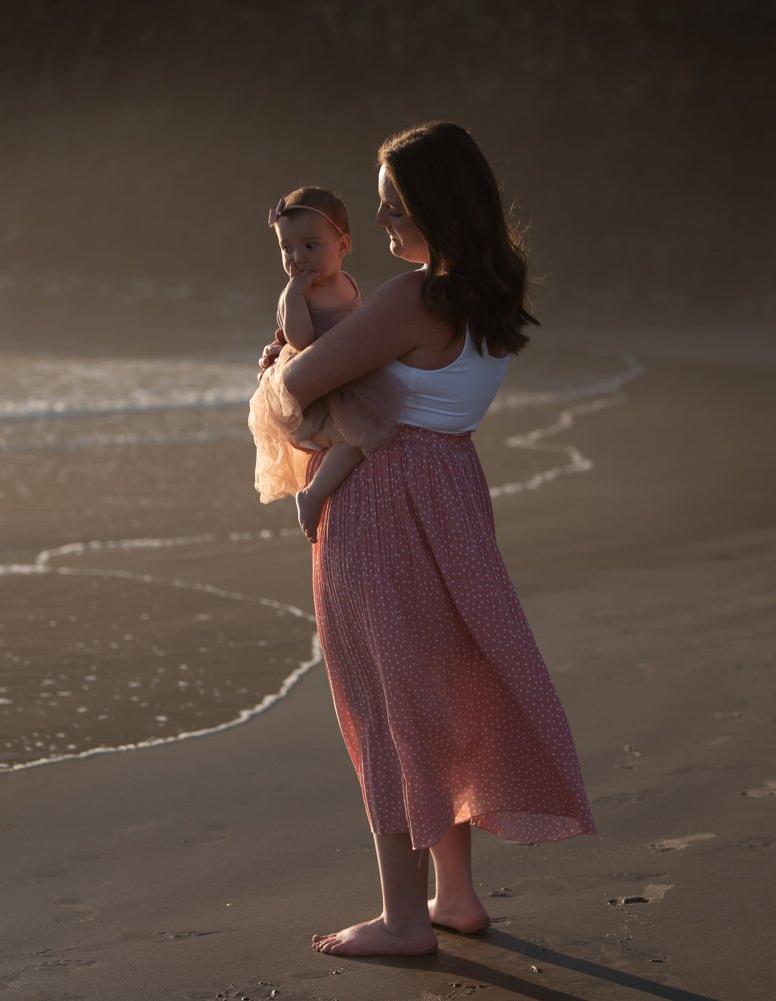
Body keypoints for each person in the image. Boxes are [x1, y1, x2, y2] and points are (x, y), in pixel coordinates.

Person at [256, 122, 596, 958]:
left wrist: (277, 358)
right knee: (436, 688)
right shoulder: (491, 289)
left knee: (384, 703)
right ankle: (456, 895)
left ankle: (406, 919)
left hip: (384, 499)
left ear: (437, 206)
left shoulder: (411, 298)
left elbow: (300, 385)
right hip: (452, 490)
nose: (379, 225)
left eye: (392, 207)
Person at [247, 186, 406, 542]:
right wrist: (295, 297)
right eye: (286, 248)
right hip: (321, 386)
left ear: (343, 247)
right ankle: (314, 493)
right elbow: (301, 340)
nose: (297, 258)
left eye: (310, 246)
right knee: (353, 438)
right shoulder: (294, 294)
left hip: (347, 374)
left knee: (370, 431)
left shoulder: (348, 283)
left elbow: (358, 323)